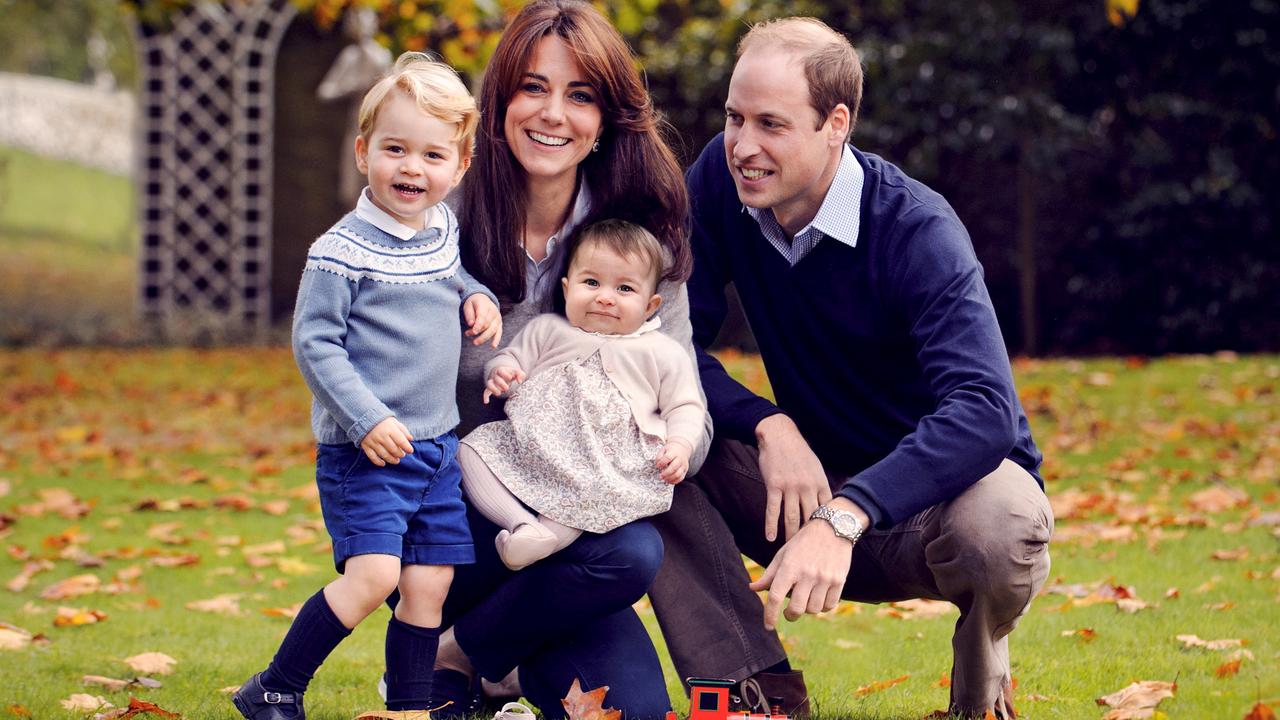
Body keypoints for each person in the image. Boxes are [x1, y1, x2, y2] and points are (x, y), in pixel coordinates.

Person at [648, 17, 1053, 720]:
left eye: (771, 124)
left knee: (1004, 523)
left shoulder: (917, 229)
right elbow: (662, 342)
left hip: (931, 509)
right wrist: (767, 423)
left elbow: (986, 408)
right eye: (734, 118)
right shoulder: (720, 178)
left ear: (836, 123)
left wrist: (847, 513)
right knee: (646, 433)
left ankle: (979, 696)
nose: (743, 146)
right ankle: (752, 690)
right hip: (800, 486)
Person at [405, 2, 710, 718]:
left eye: (580, 96)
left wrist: (630, 441)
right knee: (611, 553)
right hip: (457, 523)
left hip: (580, 546)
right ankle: (457, 649)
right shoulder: (435, 224)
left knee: (632, 672)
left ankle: (460, 654)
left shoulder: (642, 249)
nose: (553, 114)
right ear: (500, 98)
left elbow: (681, 402)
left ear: (607, 118)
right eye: (533, 88)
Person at [232, 53, 501, 720]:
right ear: (363, 152)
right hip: (368, 453)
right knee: (374, 575)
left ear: (459, 166)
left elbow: (449, 277)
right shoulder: (340, 251)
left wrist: (478, 297)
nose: (413, 168)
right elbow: (314, 343)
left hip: (436, 447)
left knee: (429, 584)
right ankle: (275, 685)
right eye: (396, 149)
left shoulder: (440, 229)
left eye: (433, 155)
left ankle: (410, 706)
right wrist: (364, 419)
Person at [460, 219, 705, 571]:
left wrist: (680, 445)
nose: (604, 296)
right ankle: (522, 525)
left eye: (624, 289)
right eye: (591, 282)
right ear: (566, 287)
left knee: (590, 493)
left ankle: (543, 538)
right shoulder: (548, 330)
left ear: (650, 306)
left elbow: (685, 405)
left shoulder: (661, 352)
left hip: (605, 461)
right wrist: (502, 374)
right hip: (533, 446)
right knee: (469, 451)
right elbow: (511, 360)